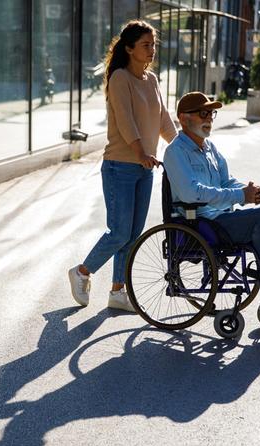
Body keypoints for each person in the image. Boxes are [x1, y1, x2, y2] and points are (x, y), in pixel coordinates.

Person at [163, 92, 260, 311]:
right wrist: (240, 196)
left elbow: (227, 181)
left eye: (212, 113)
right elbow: (191, 193)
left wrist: (247, 192)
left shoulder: (210, 149)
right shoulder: (175, 152)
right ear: (183, 118)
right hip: (203, 224)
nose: (209, 118)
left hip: (225, 218)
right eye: (203, 113)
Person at [68, 20, 177, 312]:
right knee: (118, 232)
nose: (152, 50)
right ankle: (82, 272)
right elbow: (126, 122)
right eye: (146, 45)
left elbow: (162, 118)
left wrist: (180, 147)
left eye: (153, 44)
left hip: (144, 168)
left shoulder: (151, 80)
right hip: (120, 167)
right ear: (129, 48)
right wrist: (141, 152)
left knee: (133, 233)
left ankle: (118, 291)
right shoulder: (120, 78)